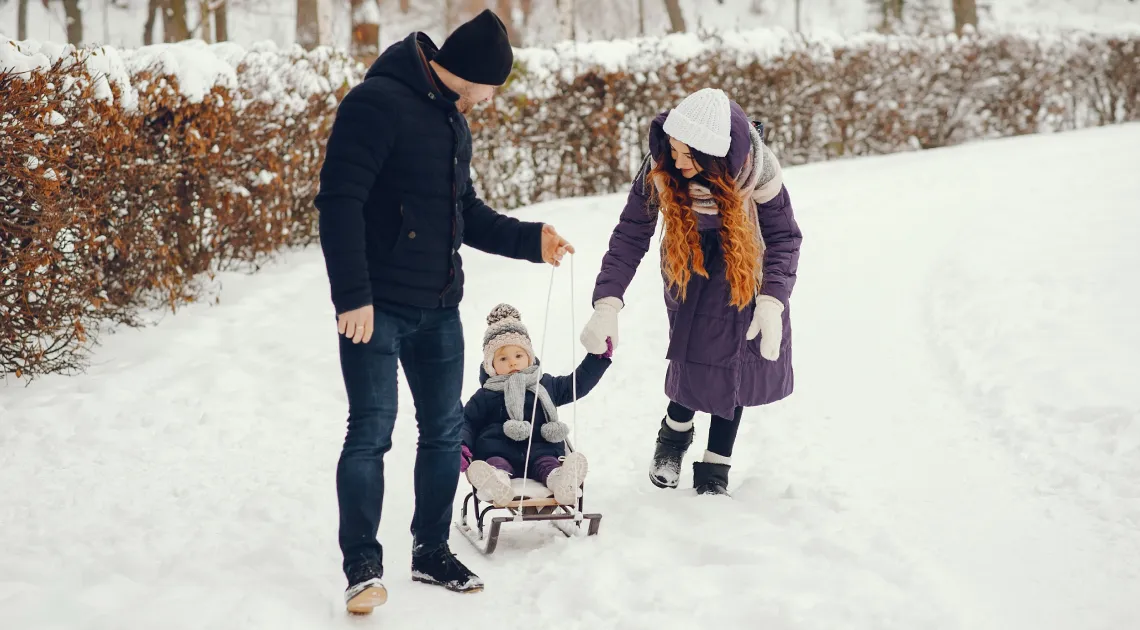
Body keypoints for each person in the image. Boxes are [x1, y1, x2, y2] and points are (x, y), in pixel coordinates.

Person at [313, 9, 575, 614]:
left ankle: (429, 550)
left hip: (440, 306)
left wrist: (531, 240)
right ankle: (361, 569)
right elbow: (339, 202)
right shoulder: (375, 104)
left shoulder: (453, 122)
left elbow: (467, 212)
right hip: (375, 307)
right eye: (493, 86)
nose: (490, 98)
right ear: (473, 75)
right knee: (370, 434)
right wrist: (352, 295)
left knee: (442, 434)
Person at [579, 87, 803, 497]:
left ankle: (717, 461)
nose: (677, 161)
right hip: (687, 261)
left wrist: (772, 300)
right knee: (694, 348)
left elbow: (784, 237)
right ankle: (675, 432)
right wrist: (607, 302)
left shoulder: (758, 170)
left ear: (714, 156)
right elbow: (631, 233)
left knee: (737, 354)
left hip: (744, 262)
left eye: (687, 154)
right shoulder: (662, 164)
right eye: (674, 149)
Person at [459, 304, 612, 506]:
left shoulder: (545, 385)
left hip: (541, 450)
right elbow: (466, 422)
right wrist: (459, 445)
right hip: (498, 450)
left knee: (548, 465)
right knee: (496, 465)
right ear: (490, 365)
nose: (512, 363)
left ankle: (562, 482)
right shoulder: (486, 395)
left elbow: (576, 384)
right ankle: (495, 483)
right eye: (503, 358)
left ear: (529, 358)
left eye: (519, 356)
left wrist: (596, 359)